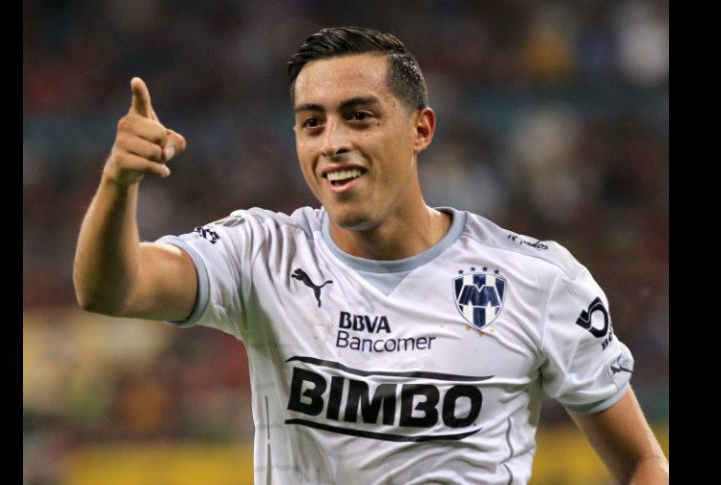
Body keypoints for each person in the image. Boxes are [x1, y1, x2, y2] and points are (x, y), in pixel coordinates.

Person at [74, 26, 668, 484]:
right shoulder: (260, 253)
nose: (333, 142)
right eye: (312, 123)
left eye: (359, 117)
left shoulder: (535, 279)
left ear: (421, 129)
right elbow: (110, 289)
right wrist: (118, 183)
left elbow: (642, 463)